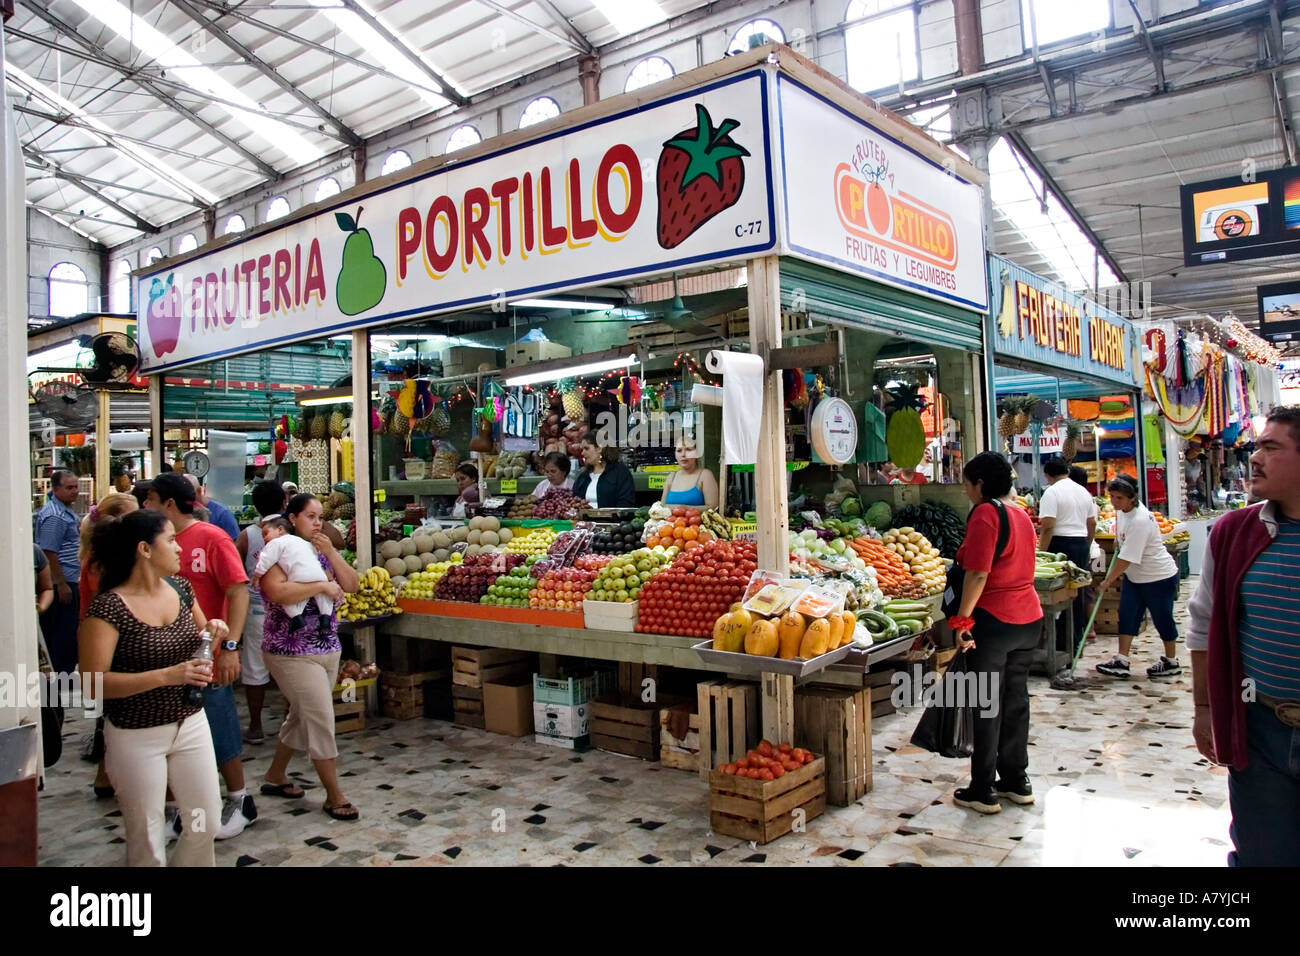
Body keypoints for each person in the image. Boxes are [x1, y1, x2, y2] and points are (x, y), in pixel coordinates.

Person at [77, 510, 225, 867]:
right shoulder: (109, 607)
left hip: (189, 722)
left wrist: (215, 633)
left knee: (206, 820)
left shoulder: (182, 589)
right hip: (136, 732)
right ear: (144, 549)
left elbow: (201, 637)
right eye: (171, 540)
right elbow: (91, 682)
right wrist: (165, 676)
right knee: (146, 837)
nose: (179, 548)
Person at [1187, 406, 1300, 866]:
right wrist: (1203, 708)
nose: (1255, 458)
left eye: (1271, 448)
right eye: (1257, 446)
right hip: (1261, 728)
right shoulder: (1234, 533)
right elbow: (1203, 621)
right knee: (1261, 854)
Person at [145, 472, 254, 841]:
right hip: (167, 658)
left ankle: (239, 798)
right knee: (173, 733)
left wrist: (231, 648)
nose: (146, 506)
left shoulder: (211, 538)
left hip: (209, 654)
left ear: (170, 504)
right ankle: (175, 809)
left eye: (151, 500)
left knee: (219, 725)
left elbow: (238, 591)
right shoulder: (151, 543)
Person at [948, 451, 1044, 814]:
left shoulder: (986, 513)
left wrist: (962, 620)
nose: (966, 491)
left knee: (986, 704)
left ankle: (983, 788)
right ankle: (1017, 781)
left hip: (995, 621)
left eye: (967, 484)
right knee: (1015, 701)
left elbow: (978, 574)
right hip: (1028, 620)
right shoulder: (1020, 514)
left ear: (980, 484)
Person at [258, 493, 361, 821]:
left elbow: (352, 584)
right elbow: (277, 592)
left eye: (320, 517)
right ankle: (334, 795)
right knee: (319, 719)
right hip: (290, 651)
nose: (317, 523)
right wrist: (321, 586)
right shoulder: (277, 551)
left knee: (302, 717)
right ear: (292, 518)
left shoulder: (323, 552)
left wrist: (331, 552)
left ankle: (275, 776)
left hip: (327, 648)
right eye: (310, 516)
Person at [78, 492, 140, 798]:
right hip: (109, 640)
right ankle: (109, 772)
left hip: (107, 637)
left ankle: (107, 773)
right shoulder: (101, 562)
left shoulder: (96, 556)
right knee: (114, 709)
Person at [1094, 475, 1182, 680]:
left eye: (1119, 498)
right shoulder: (1123, 512)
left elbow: (1127, 560)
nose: (1115, 502)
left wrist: (1107, 581)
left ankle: (1171, 662)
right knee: (1127, 615)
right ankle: (1121, 660)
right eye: (1112, 497)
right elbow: (1122, 542)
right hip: (1136, 578)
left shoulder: (1141, 519)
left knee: (1162, 618)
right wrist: (1118, 542)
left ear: (1132, 498)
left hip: (1158, 577)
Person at [235, 479, 285, 745]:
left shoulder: (248, 536)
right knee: (291, 662)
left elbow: (233, 568)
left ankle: (255, 726)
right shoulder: (293, 531)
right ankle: (292, 720)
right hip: (289, 607)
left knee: (254, 667)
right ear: (285, 502)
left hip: (256, 610)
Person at [1037, 458, 1096, 656]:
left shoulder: (1051, 492)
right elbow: (1092, 523)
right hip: (1080, 544)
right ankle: (1076, 641)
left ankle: (1062, 644)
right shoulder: (1083, 491)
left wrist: (1040, 554)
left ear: (1048, 475)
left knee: (1059, 595)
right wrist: (1086, 544)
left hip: (1060, 545)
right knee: (1076, 594)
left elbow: (1048, 526)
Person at [36, 469, 83, 676]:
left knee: (66, 629)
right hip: (61, 581)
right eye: (69, 487)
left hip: (69, 578)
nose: (75, 491)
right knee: (62, 631)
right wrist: (60, 583)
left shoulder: (65, 511)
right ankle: (60, 673)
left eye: (76, 487)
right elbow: (49, 551)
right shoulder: (55, 516)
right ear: (55, 490)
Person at [252, 517, 335, 630]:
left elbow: (266, 560)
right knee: (323, 597)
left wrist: (257, 575)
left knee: (290, 599)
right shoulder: (304, 542)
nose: (264, 538)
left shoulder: (275, 543)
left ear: (280, 529)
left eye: (266, 533)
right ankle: (325, 618)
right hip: (318, 574)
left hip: (298, 576)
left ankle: (297, 618)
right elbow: (314, 555)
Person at [572, 432, 636, 508]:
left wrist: (596, 513)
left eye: (586, 448)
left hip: (612, 520)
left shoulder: (620, 472)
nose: (582, 453)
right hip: (585, 519)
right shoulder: (582, 476)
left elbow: (626, 504)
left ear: (599, 448)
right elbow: (575, 499)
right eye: (582, 449)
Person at [660, 438, 719, 510]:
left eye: (688, 450)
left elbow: (713, 508)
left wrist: (684, 508)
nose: (683, 454)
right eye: (679, 451)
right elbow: (661, 507)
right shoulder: (671, 477)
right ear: (675, 455)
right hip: (670, 521)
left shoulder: (705, 475)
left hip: (696, 521)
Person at [185, 474, 239, 541]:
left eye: (187, 495)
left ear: (199, 491)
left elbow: (235, 544)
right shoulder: (178, 511)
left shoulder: (222, 514)